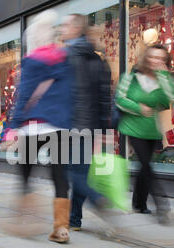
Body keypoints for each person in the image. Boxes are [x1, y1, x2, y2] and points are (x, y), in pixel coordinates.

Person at [7, 10, 72, 243]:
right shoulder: (64, 60)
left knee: (25, 174)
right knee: (59, 176)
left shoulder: (32, 61)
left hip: (32, 127)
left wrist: (12, 126)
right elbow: (69, 95)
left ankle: (24, 219)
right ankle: (61, 228)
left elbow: (24, 95)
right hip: (59, 127)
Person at [59, 14, 112, 231]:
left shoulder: (64, 56)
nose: (61, 29)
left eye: (64, 25)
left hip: (68, 123)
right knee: (80, 170)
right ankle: (74, 219)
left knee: (69, 172)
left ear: (75, 28)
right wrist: (102, 128)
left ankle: (95, 196)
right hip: (89, 125)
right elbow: (104, 96)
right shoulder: (97, 59)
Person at [115, 44, 174, 224]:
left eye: (161, 58)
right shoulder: (130, 77)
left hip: (151, 129)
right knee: (146, 165)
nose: (156, 61)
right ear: (146, 58)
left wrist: (165, 76)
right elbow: (119, 99)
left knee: (145, 166)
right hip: (132, 126)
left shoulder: (164, 79)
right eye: (153, 57)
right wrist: (138, 108)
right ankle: (161, 203)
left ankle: (139, 203)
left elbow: (168, 99)